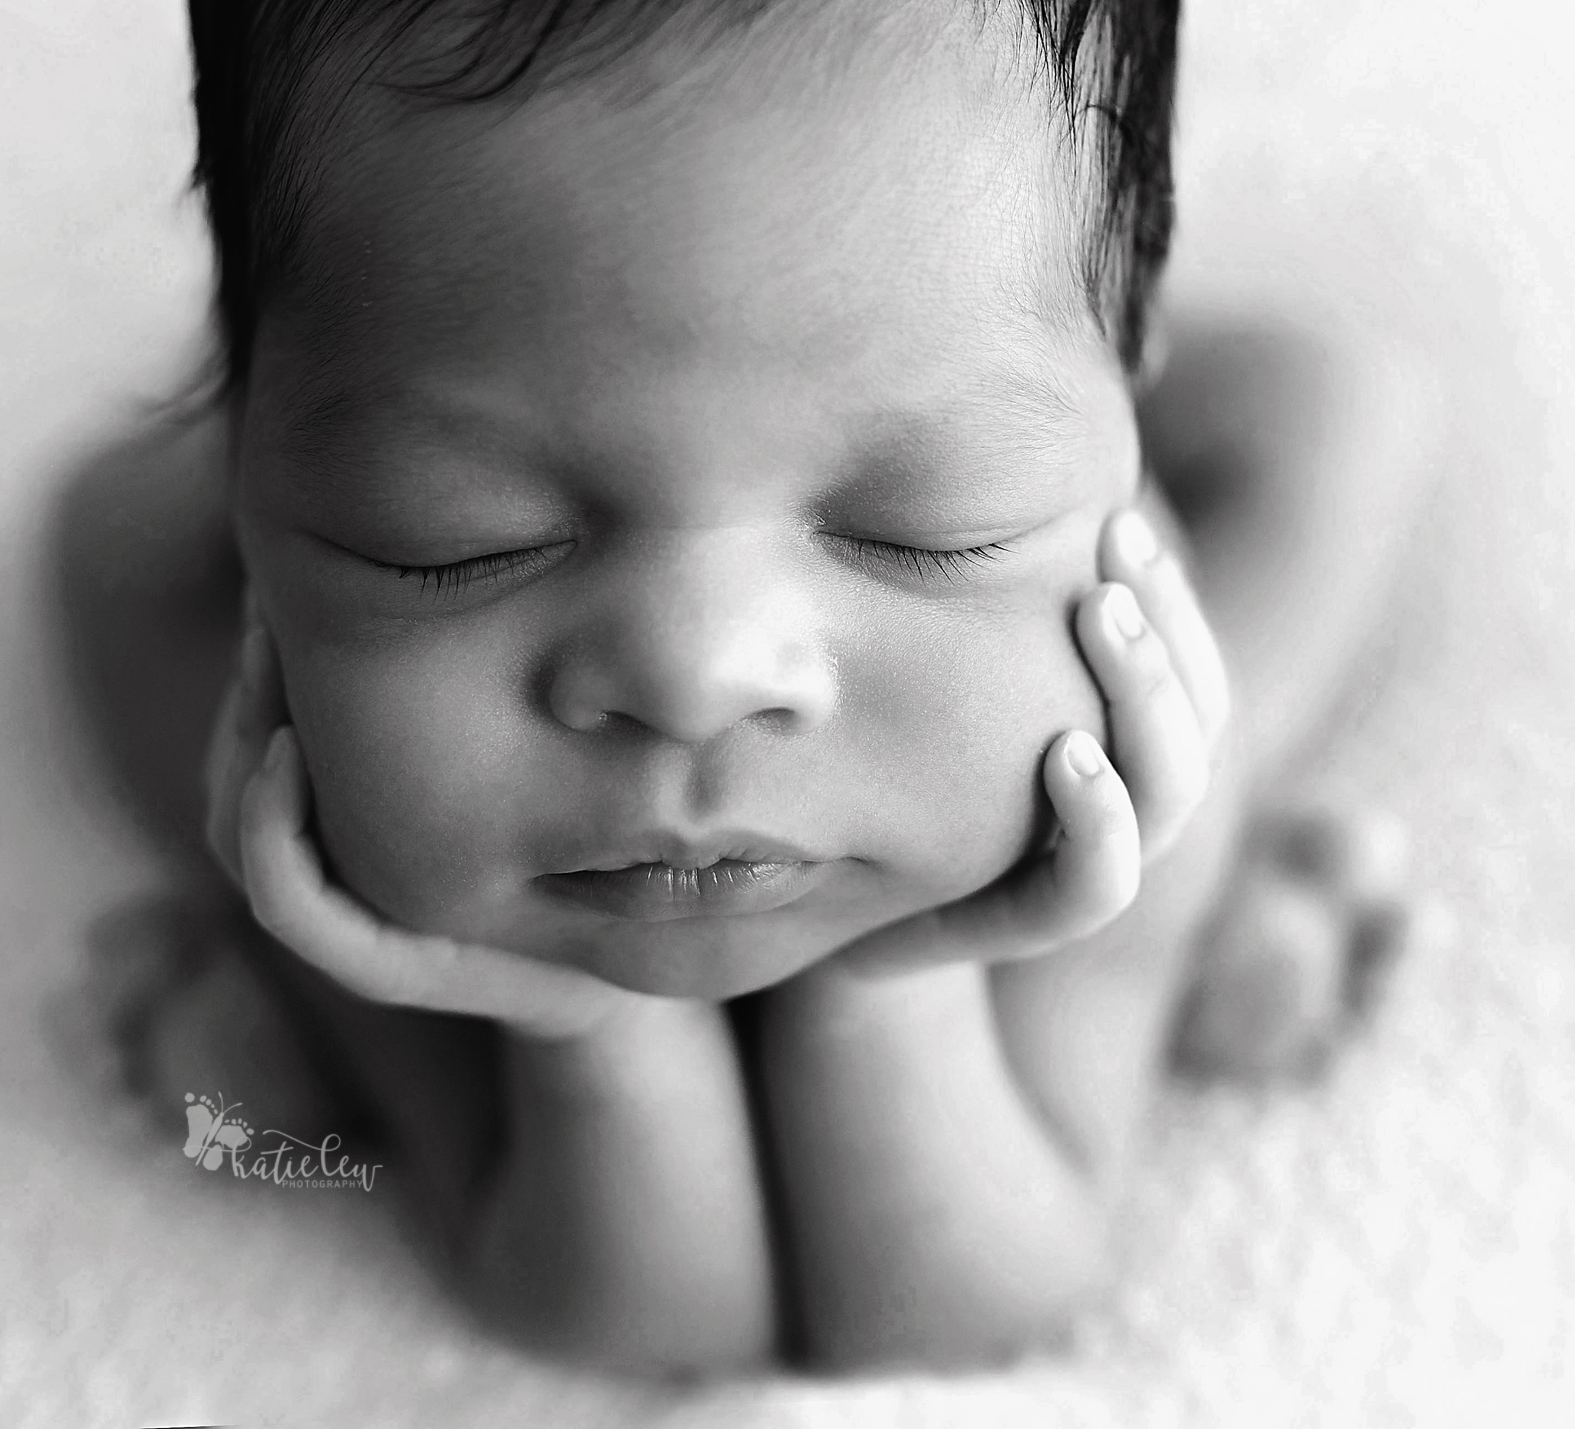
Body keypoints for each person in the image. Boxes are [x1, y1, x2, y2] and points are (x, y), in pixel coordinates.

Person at [111, 0, 1423, 1373]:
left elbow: (965, 1306)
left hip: (1055, 676)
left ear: (1125, 368)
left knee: (1194, 732)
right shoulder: (371, 812)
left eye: (927, 522)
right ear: (250, 432)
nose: (698, 680)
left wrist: (904, 974)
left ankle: (1172, 910)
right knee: (303, 1114)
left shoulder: (1067, 735)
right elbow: (629, 1324)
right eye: (455, 537)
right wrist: (572, 1017)